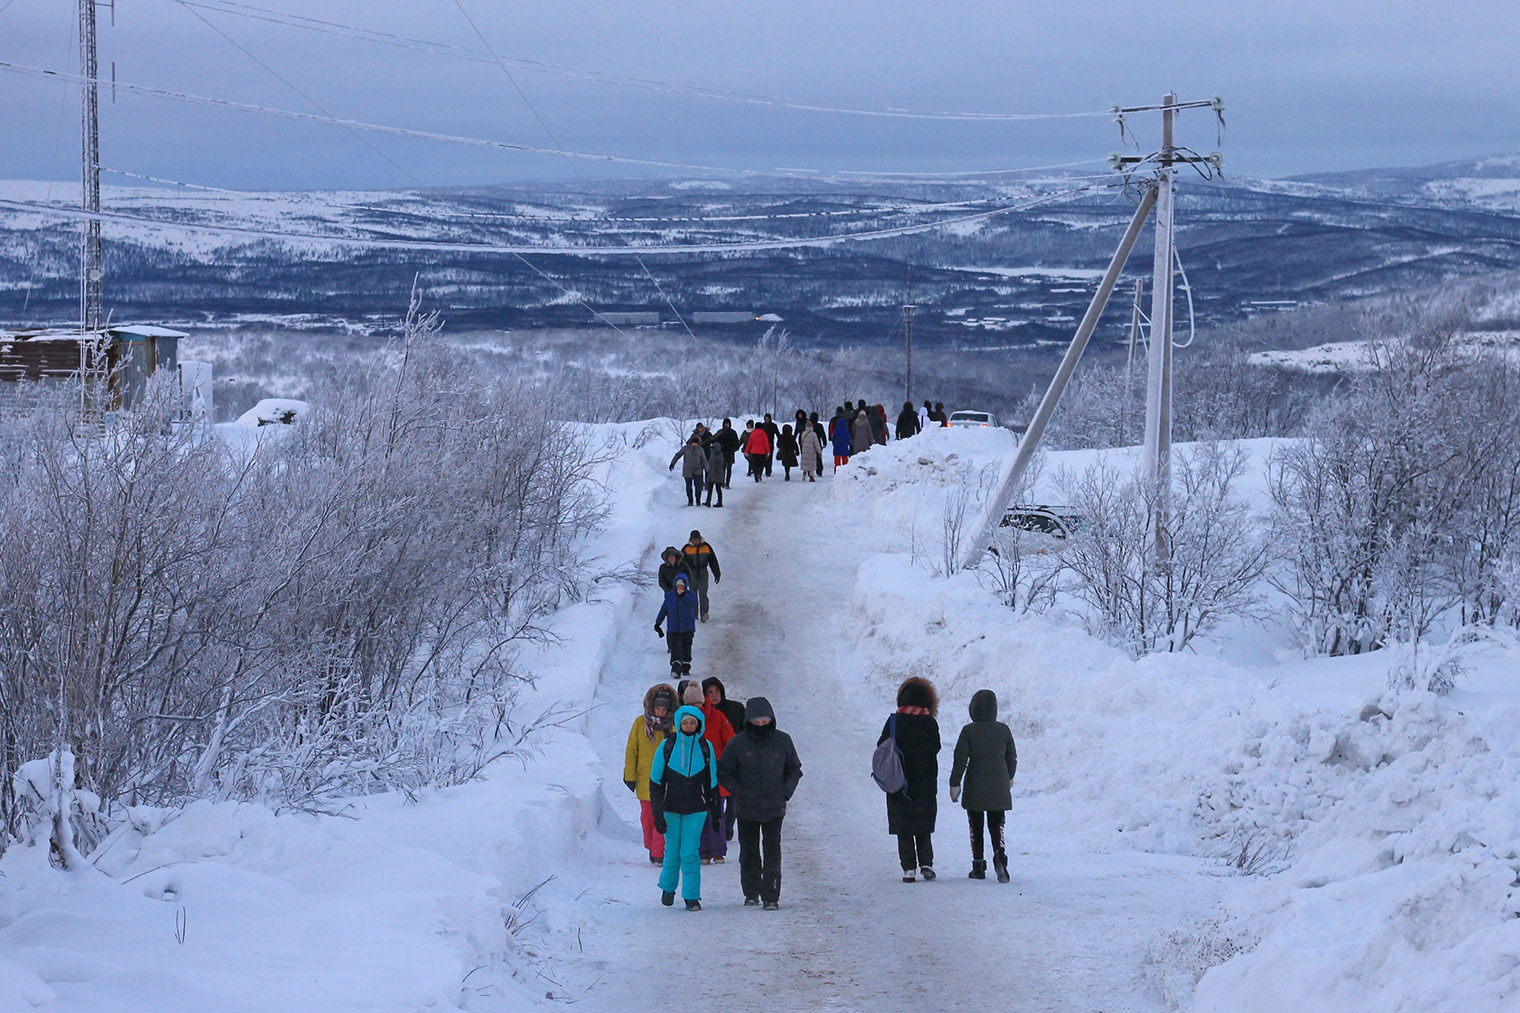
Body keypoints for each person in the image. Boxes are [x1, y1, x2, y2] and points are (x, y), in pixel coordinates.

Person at [717, 697, 802, 910]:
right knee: (749, 852)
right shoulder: (737, 743)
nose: (761, 725)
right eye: (757, 722)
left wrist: (785, 793)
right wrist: (738, 792)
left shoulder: (783, 741)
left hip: (774, 807)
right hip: (746, 809)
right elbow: (724, 772)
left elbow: (794, 770)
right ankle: (751, 892)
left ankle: (771, 896)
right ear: (749, 721)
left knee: (772, 851)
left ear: (771, 720)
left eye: (765, 721)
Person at [649, 703, 720, 910]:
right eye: (685, 722)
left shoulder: (706, 747)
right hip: (670, 809)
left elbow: (712, 782)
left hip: (696, 810)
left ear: (699, 725)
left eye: (693, 723)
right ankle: (668, 888)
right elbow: (655, 782)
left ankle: (691, 897)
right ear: (679, 724)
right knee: (672, 852)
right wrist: (658, 814)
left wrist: (716, 814)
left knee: (690, 853)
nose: (689, 726)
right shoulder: (667, 746)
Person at [949, 689, 1018, 883]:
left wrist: (955, 783)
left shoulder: (968, 731)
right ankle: (1000, 856)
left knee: (976, 826)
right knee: (997, 825)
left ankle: (978, 866)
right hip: (998, 787)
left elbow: (960, 760)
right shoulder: (1003, 730)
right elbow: (1011, 757)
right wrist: (1009, 777)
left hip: (975, 787)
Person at [879, 676, 940, 882]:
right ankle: (926, 863)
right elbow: (936, 747)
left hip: (898, 781)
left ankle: (908, 869)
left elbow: (882, 744)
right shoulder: (930, 722)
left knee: (903, 826)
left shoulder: (894, 721)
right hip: (925, 782)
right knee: (923, 825)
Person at [679, 681, 734, 864]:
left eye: (698, 704)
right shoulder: (683, 722)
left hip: (715, 773)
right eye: (691, 705)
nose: (696, 708)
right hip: (693, 775)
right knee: (699, 814)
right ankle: (703, 851)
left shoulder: (718, 717)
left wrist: (727, 765)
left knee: (716, 811)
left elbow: (730, 742)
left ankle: (717, 851)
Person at [624, 683, 677, 864]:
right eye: (658, 708)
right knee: (648, 819)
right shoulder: (640, 723)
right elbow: (632, 750)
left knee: (663, 818)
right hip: (646, 781)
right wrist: (629, 776)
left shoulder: (675, 725)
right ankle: (652, 846)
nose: (661, 713)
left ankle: (659, 853)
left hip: (669, 782)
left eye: (664, 709)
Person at [701, 676, 746, 841]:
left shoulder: (736, 708)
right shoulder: (701, 714)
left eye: (717, 691)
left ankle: (728, 826)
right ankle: (718, 825)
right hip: (713, 761)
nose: (714, 695)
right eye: (710, 692)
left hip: (735, 758)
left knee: (734, 796)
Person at [655, 572, 699, 676]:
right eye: (678, 585)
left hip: (687, 629)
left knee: (686, 648)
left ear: (685, 586)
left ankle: (685, 667)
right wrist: (658, 623)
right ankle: (675, 669)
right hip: (673, 629)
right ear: (675, 585)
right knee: (676, 649)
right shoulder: (670, 596)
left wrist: (683, 595)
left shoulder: (690, 595)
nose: (680, 588)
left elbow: (694, 604)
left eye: (682, 586)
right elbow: (664, 610)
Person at [681, 529, 722, 622]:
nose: (696, 541)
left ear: (700, 538)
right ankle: (693, 614)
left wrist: (716, 573)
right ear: (691, 539)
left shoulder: (706, 547)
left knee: (703, 593)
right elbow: (681, 564)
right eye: (694, 539)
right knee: (692, 594)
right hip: (691, 573)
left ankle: (704, 613)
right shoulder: (686, 549)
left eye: (697, 539)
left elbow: (713, 561)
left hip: (703, 572)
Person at [670, 436, 707, 507]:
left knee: (698, 487)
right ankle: (690, 500)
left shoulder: (700, 449)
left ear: (698, 443)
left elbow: (704, 460)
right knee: (688, 487)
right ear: (690, 443)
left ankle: (698, 500)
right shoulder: (685, 449)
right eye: (693, 443)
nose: (694, 445)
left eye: (696, 443)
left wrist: (706, 469)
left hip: (698, 470)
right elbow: (678, 455)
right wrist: (672, 463)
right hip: (687, 470)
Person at [715, 418, 740, 488]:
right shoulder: (720, 432)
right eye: (725, 424)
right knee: (722, 468)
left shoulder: (732, 432)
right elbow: (716, 442)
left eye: (728, 424)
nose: (726, 425)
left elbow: (737, 443)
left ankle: (727, 483)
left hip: (729, 453)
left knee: (729, 468)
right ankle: (722, 482)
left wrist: (733, 448)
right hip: (722, 453)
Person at [702, 440, 726, 508]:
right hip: (713, 473)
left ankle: (719, 502)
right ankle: (708, 501)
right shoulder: (713, 454)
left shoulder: (719, 455)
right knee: (710, 489)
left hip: (717, 473)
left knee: (718, 489)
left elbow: (719, 464)